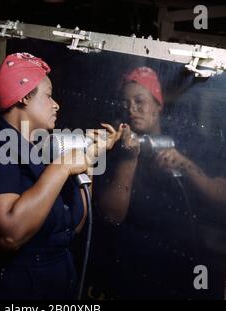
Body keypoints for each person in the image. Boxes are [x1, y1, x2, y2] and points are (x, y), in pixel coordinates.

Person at [0, 52, 121, 299]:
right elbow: (9, 234)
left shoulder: (42, 151)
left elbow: (75, 226)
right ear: (24, 96)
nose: (56, 104)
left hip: (60, 282)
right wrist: (61, 168)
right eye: (48, 96)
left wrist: (89, 159)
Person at [95, 66, 226, 299]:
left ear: (158, 104)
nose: (132, 109)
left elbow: (221, 195)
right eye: (125, 103)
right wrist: (129, 158)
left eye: (139, 100)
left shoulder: (189, 141)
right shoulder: (111, 150)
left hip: (185, 265)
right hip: (133, 270)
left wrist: (185, 165)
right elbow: (111, 216)